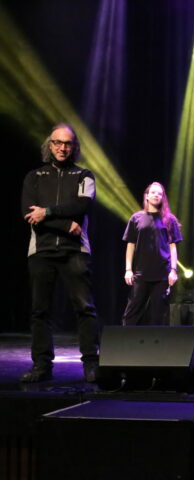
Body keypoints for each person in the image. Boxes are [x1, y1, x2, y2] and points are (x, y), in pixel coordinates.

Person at [20, 123, 99, 383]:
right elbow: (29, 213)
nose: (62, 147)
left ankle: (92, 364)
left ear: (74, 147)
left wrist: (48, 212)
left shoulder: (84, 175)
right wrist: (65, 225)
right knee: (40, 311)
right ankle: (42, 366)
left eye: (67, 143)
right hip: (41, 250)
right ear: (49, 144)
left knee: (85, 308)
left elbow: (82, 205)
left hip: (75, 249)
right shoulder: (34, 176)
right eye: (57, 142)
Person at [122, 182, 183, 325]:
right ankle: (128, 339)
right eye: (153, 192)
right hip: (141, 273)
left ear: (163, 198)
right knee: (131, 314)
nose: (156, 195)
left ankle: (157, 340)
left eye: (160, 193)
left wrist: (173, 270)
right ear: (147, 196)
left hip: (162, 275)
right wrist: (128, 270)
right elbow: (130, 245)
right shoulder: (136, 218)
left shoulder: (169, 219)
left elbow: (173, 247)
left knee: (158, 316)